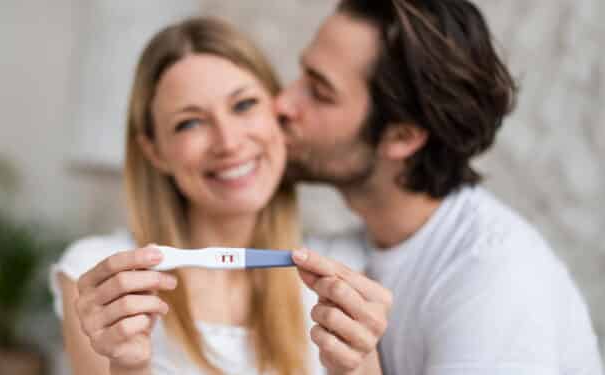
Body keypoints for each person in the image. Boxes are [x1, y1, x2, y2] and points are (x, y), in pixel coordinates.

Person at [275, 0, 603, 374]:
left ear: (402, 136)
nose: (283, 103)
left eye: (319, 92)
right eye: (303, 75)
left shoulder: (494, 280)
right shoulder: (353, 248)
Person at [50, 17, 392, 375]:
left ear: (278, 112)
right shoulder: (102, 278)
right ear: (155, 151)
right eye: (190, 123)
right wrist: (127, 367)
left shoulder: (344, 274)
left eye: (243, 105)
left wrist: (357, 366)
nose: (228, 142)